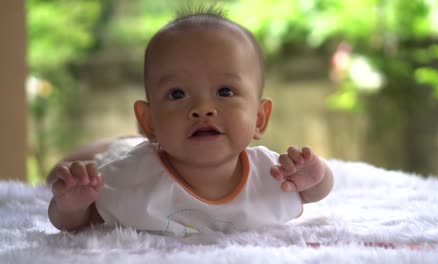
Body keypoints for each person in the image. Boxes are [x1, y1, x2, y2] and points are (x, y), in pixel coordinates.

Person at [48, 6, 334, 236]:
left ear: (259, 118)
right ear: (149, 122)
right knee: (64, 171)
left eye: (225, 91)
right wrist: (70, 204)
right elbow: (80, 220)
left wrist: (318, 176)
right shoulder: (130, 178)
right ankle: (122, 141)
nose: (202, 108)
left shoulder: (270, 174)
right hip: (127, 152)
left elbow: (309, 194)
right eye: (177, 94)